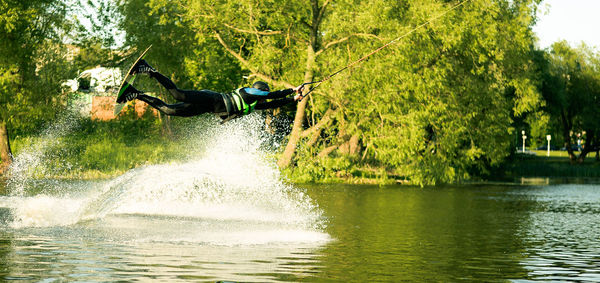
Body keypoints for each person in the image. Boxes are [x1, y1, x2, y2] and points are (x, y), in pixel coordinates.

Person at [117, 60, 305, 122]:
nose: (264, 100)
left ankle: (135, 93)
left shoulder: (254, 105)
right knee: (177, 94)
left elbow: (274, 103)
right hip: (212, 99)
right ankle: (147, 68)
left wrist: (294, 99)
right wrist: (291, 89)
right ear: (260, 91)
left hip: (207, 108)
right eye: (263, 95)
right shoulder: (250, 94)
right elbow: (271, 96)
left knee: (170, 110)